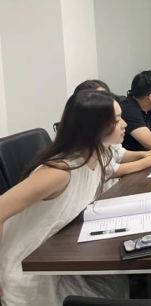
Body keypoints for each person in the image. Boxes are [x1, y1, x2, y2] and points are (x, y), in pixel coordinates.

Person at [0, 90, 129, 305]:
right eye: (116, 120)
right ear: (94, 127)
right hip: (23, 265)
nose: (124, 124)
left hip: (53, 256)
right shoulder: (59, 172)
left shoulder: (98, 156)